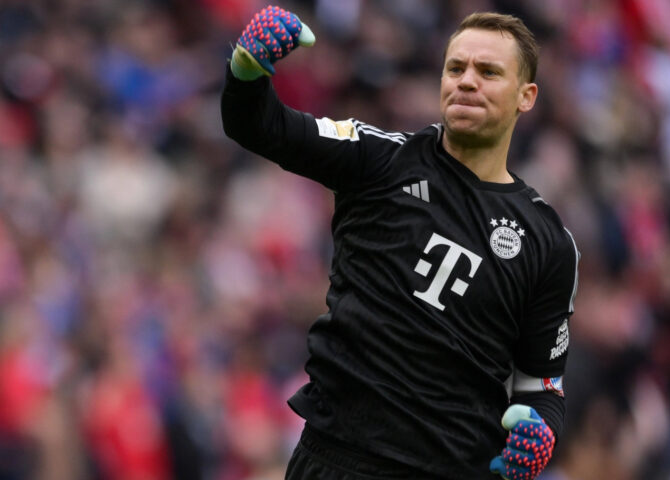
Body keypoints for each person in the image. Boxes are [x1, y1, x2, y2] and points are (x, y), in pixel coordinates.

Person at [221, 5, 580, 480]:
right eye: (456, 68)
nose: (466, 81)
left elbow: (542, 387)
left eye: (488, 72)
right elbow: (259, 125)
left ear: (525, 96)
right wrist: (247, 70)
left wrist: (539, 434)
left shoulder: (548, 243)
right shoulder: (379, 160)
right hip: (336, 459)